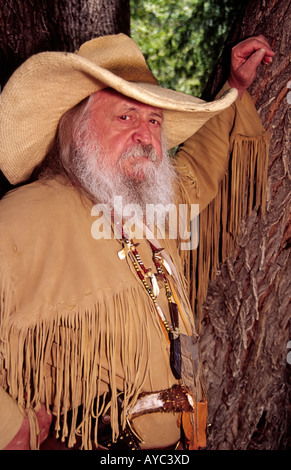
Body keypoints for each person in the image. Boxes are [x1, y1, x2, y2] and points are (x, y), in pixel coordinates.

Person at [0, 33, 273, 450]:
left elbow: (199, 167)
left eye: (155, 121)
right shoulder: (24, 216)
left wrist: (233, 88)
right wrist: (9, 428)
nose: (147, 136)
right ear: (77, 130)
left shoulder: (151, 208)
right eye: (126, 117)